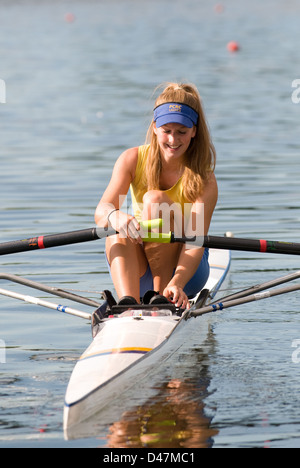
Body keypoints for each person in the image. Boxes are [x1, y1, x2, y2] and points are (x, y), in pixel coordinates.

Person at [95, 82, 217, 310]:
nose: (173, 140)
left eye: (181, 132)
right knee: (115, 226)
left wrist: (178, 282)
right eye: (167, 131)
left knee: (154, 200)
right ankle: (128, 305)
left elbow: (196, 241)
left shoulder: (204, 178)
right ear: (154, 127)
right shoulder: (131, 159)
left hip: (186, 269)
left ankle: (163, 297)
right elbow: (101, 211)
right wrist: (114, 216)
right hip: (139, 267)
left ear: (194, 131)